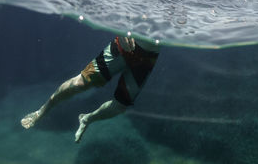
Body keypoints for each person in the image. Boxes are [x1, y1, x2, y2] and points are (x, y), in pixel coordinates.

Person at [20, 36, 159, 143]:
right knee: (81, 83)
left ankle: (87, 119)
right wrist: (123, 33)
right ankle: (43, 110)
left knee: (120, 106)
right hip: (124, 47)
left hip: (148, 57)